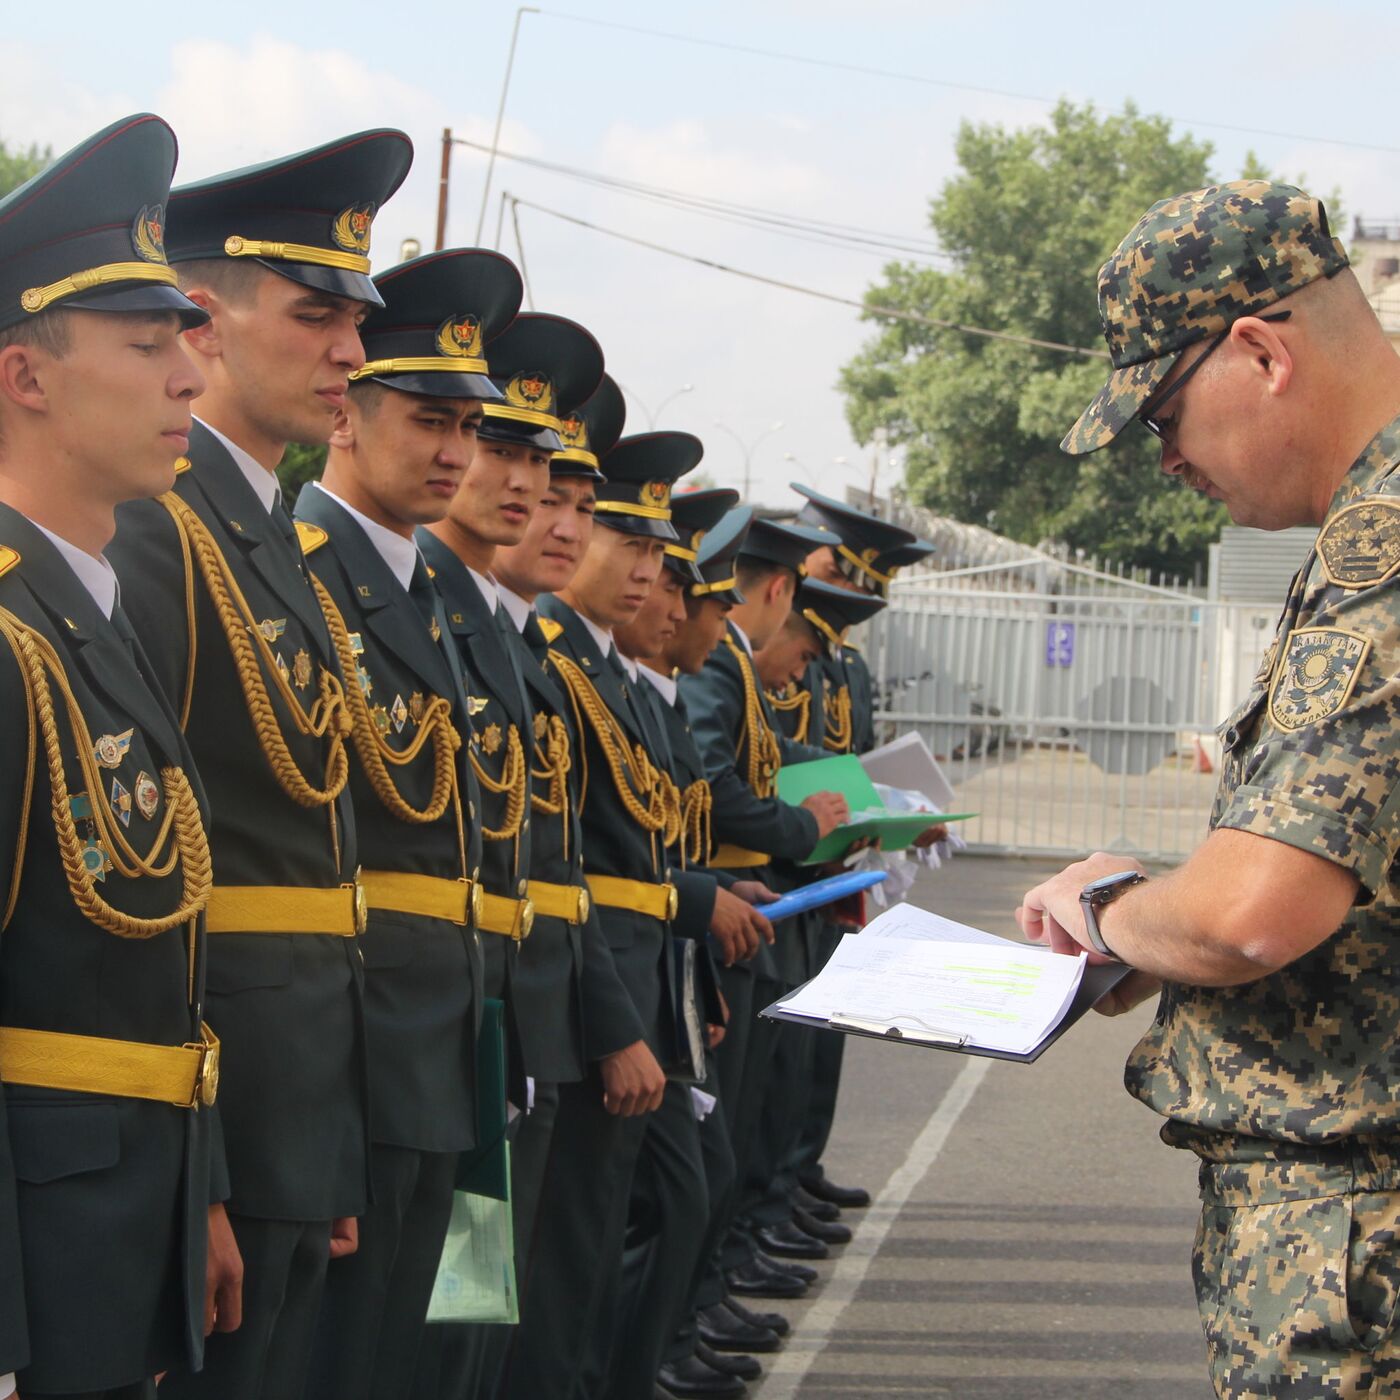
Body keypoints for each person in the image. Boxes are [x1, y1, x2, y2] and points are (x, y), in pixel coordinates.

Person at [1021, 179, 1400, 1398]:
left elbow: (1253, 910)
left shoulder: (1380, 554)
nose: (1169, 458)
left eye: (1164, 413)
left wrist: (1108, 911)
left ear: (1259, 352)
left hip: (1355, 1243)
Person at [106, 129, 414, 1400]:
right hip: (222, 1120)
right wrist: (207, 1170)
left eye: (353, 316)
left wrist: (324, 1142)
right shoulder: (159, 531)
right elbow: (144, 887)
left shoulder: (264, 535)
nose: (350, 347)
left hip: (295, 1111)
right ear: (205, 324)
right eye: (316, 312)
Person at [0, 113, 227, 1400]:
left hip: (125, 1216)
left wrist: (201, 1195)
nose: (187, 377)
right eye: (148, 348)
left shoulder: (86, 608)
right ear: (28, 378)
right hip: (42, 1261)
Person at [294, 247, 523, 1400]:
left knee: (451, 1328)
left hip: (457, 1040)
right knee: (360, 1350)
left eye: (466, 429)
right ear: (347, 413)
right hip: (366, 1063)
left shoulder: (435, 596)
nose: (455, 453)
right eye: (430, 419)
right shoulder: (304, 575)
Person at [411, 310, 605, 1400]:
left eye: (545, 460)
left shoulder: (496, 628)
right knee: (443, 1326)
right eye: (504, 447)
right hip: (450, 1045)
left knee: (479, 1313)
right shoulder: (426, 609)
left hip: (504, 1038)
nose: (527, 484)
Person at [498, 428, 697, 1399]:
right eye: (554, 501)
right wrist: (616, 1020)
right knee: (496, 1282)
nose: (565, 527)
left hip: (570, 999)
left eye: (583, 507)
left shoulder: (580, 665)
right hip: (537, 1016)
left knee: (554, 1261)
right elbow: (548, 868)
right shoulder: (539, 657)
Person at [677, 513, 848, 1307]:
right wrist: (801, 827)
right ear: (779, 589)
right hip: (714, 907)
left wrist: (856, 781)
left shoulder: (732, 666)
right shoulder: (718, 663)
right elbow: (716, 781)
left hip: (741, 900)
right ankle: (699, 1302)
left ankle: (711, 1291)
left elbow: (765, 756)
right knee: (721, 1133)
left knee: (743, 1122)